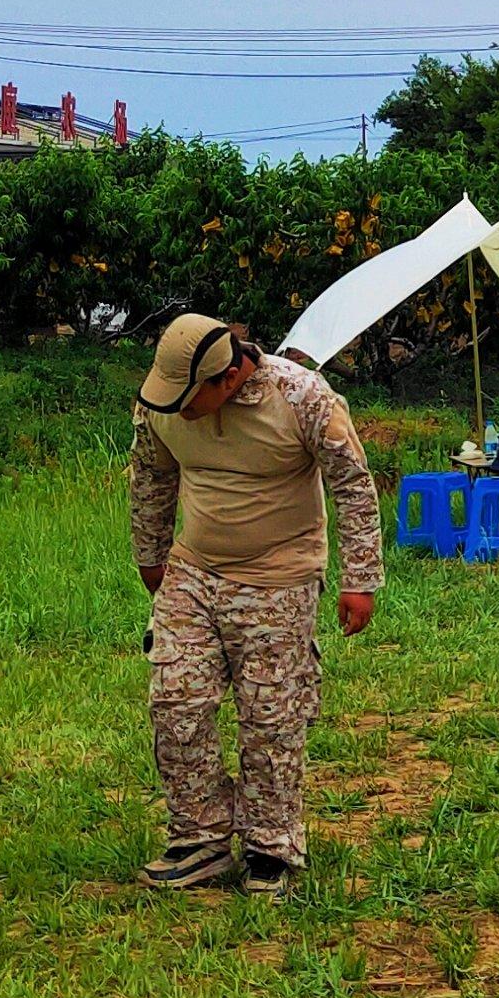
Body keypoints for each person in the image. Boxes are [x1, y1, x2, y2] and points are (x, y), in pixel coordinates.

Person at [128, 312, 384, 899]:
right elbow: (150, 475)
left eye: (189, 398)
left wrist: (361, 577)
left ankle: (272, 849)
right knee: (176, 702)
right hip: (193, 571)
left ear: (227, 379)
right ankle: (201, 840)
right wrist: (151, 555)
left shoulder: (302, 397)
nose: (177, 409)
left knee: (272, 719)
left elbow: (352, 482)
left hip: (279, 576)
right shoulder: (164, 405)